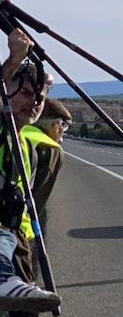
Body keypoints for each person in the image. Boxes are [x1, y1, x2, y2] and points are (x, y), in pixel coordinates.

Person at [0, 42, 62, 317]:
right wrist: (12, 61)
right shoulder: (3, 127)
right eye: (25, 92)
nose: (33, 101)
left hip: (18, 240)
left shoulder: (28, 142)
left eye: (39, 96)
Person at [21, 97, 69, 235]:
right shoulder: (50, 149)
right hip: (16, 231)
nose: (62, 134)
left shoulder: (15, 134)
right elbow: (37, 202)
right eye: (64, 126)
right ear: (55, 125)